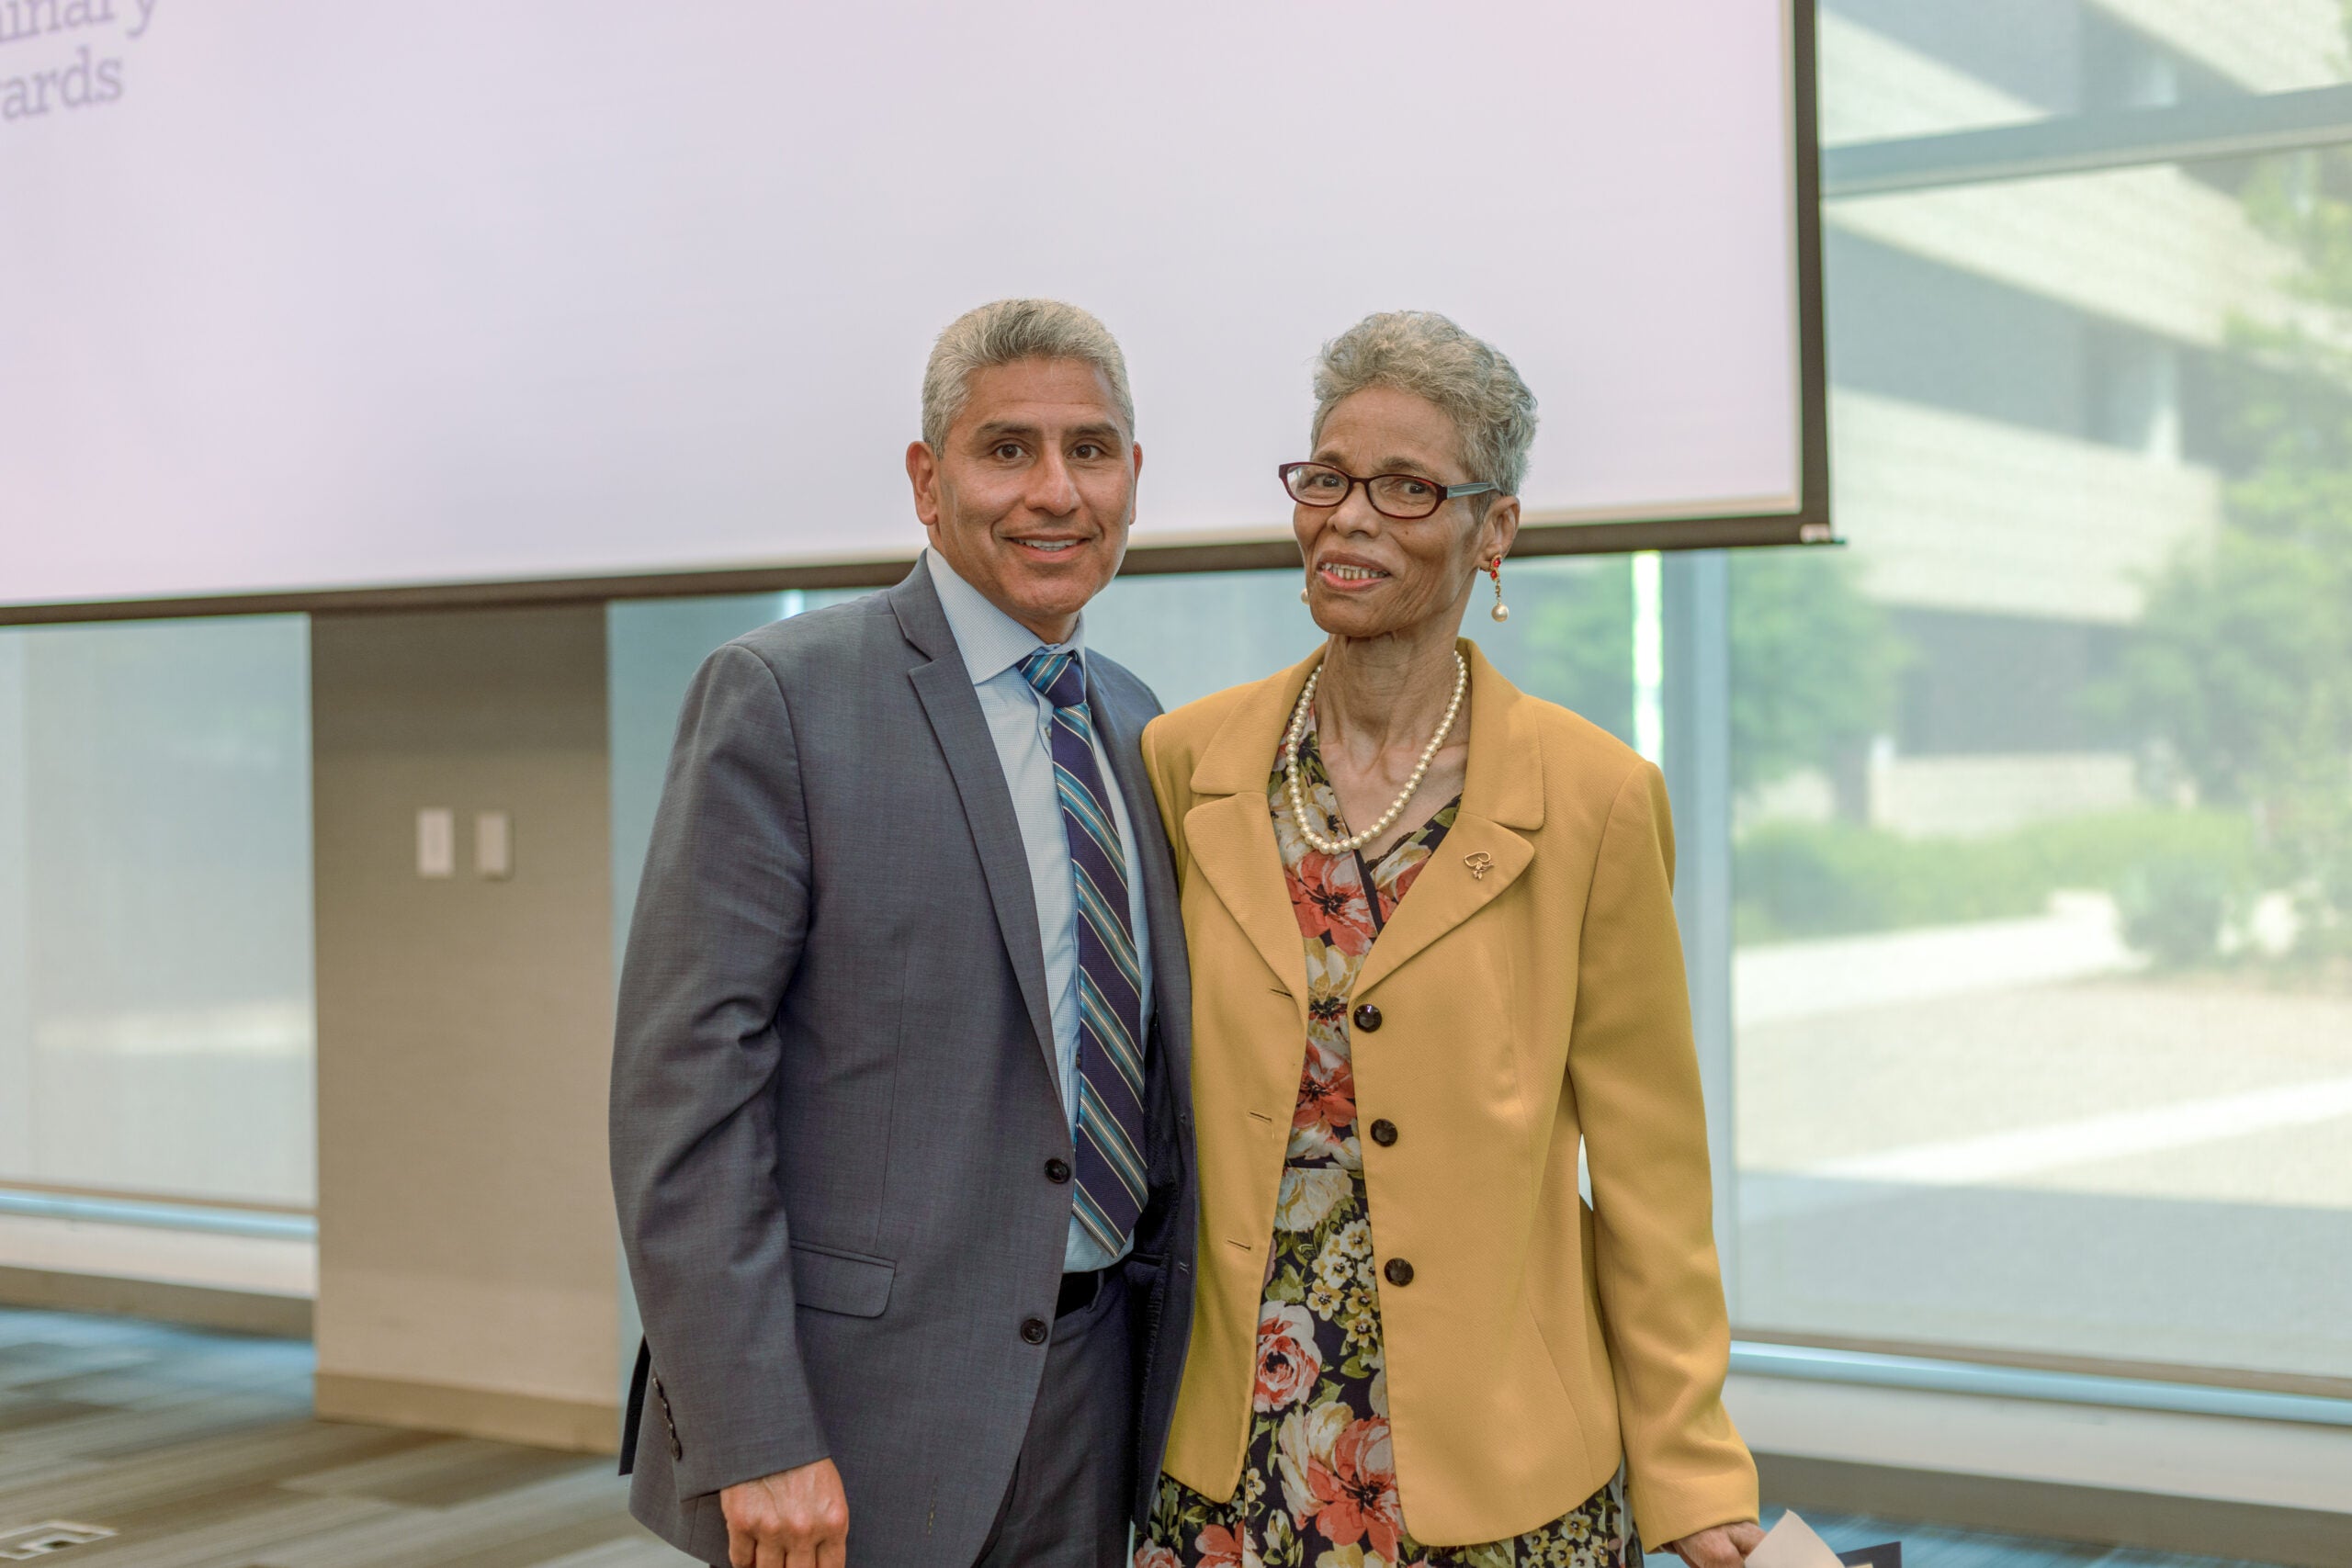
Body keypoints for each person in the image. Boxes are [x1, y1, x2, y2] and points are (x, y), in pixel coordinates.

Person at [1134, 311, 1761, 1568]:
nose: (1350, 519)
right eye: (1327, 478)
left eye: (1407, 488)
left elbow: (1650, 1179)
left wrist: (1691, 1468)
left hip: (1504, 1474)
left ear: (1495, 530)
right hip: (1228, 1464)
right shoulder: (1186, 763)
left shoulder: (1594, 798)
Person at [610, 299, 1196, 1568]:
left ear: (1133, 478)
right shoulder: (783, 698)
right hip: (856, 1417)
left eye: (1091, 451)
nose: (1056, 491)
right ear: (929, 484)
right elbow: (686, 1101)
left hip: (1095, 1393)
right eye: (1008, 450)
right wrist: (754, 1435)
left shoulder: (1139, 723)